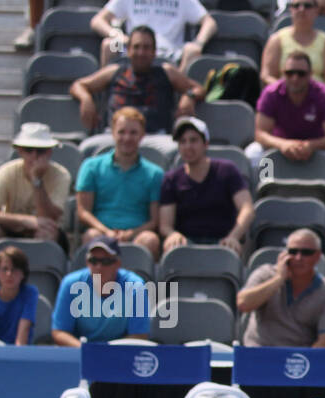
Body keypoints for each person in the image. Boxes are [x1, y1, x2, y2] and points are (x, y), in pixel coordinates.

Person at [71, 25, 203, 163]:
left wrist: (189, 96)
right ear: (128, 50)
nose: (141, 52)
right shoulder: (114, 71)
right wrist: (86, 98)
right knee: (86, 148)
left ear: (154, 52)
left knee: (176, 150)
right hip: (116, 136)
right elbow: (78, 85)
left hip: (156, 137)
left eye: (146, 48)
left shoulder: (167, 72)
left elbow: (199, 89)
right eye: (136, 47)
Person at [75, 107, 165, 260]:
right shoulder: (91, 166)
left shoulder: (155, 173)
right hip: (101, 232)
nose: (127, 138)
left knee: (150, 240)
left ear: (142, 135)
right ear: (113, 133)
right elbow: (83, 212)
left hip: (137, 235)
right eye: (122, 132)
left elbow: (154, 220)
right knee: (91, 236)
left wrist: (131, 233)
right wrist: (106, 231)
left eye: (133, 133)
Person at [158, 116, 253, 256]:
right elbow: (165, 225)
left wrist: (233, 237)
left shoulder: (227, 170)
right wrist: (172, 235)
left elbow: (247, 209)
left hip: (222, 241)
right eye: (182, 141)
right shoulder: (171, 179)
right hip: (186, 243)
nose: (187, 146)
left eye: (193, 140)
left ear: (206, 143)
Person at [246, 51, 325, 172]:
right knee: (253, 153)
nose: (295, 78)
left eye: (301, 74)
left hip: (318, 151)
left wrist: (310, 146)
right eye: (289, 73)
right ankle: (264, 186)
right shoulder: (271, 94)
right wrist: (282, 145)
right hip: (278, 149)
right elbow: (260, 134)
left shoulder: (324, 95)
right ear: (283, 73)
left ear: (310, 74)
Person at [0, 123, 70, 257]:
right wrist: (26, 221)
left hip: (44, 230)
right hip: (12, 228)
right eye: (29, 149)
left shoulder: (61, 175)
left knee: (46, 232)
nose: (34, 155)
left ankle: (40, 277)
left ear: (49, 152)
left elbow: (48, 217)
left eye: (40, 150)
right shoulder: (6, 171)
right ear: (20, 151)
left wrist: (36, 180)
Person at [237, 229, 325, 347]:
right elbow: (243, 304)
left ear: (317, 256)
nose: (298, 257)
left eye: (306, 252)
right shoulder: (264, 274)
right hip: (259, 353)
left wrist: (304, 360)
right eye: (293, 251)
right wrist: (278, 279)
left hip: (299, 358)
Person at [51, 237, 151, 346]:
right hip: (80, 353)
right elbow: (59, 332)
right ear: (87, 263)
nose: (99, 267)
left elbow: (139, 335)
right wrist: (86, 350)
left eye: (106, 261)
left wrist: (104, 353)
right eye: (93, 261)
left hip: (119, 356)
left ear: (118, 264)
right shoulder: (70, 284)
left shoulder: (135, 286)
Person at [90, 0, 216, 69]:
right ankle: (106, 100)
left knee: (192, 51)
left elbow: (209, 22)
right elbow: (97, 21)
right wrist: (117, 36)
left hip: (170, 53)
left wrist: (198, 43)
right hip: (134, 50)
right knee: (109, 45)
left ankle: (180, 99)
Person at [261, 0, 325, 90]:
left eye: (307, 6)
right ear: (291, 9)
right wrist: (288, 91)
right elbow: (266, 75)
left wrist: (317, 94)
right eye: (296, 5)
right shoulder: (276, 40)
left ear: (316, 10)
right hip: (283, 99)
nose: (301, 9)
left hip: (316, 101)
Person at [0, 246, 39, 346]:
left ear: (23, 273)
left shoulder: (30, 293)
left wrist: (16, 357)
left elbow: (22, 335)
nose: (9, 274)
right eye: (4, 269)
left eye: (15, 269)